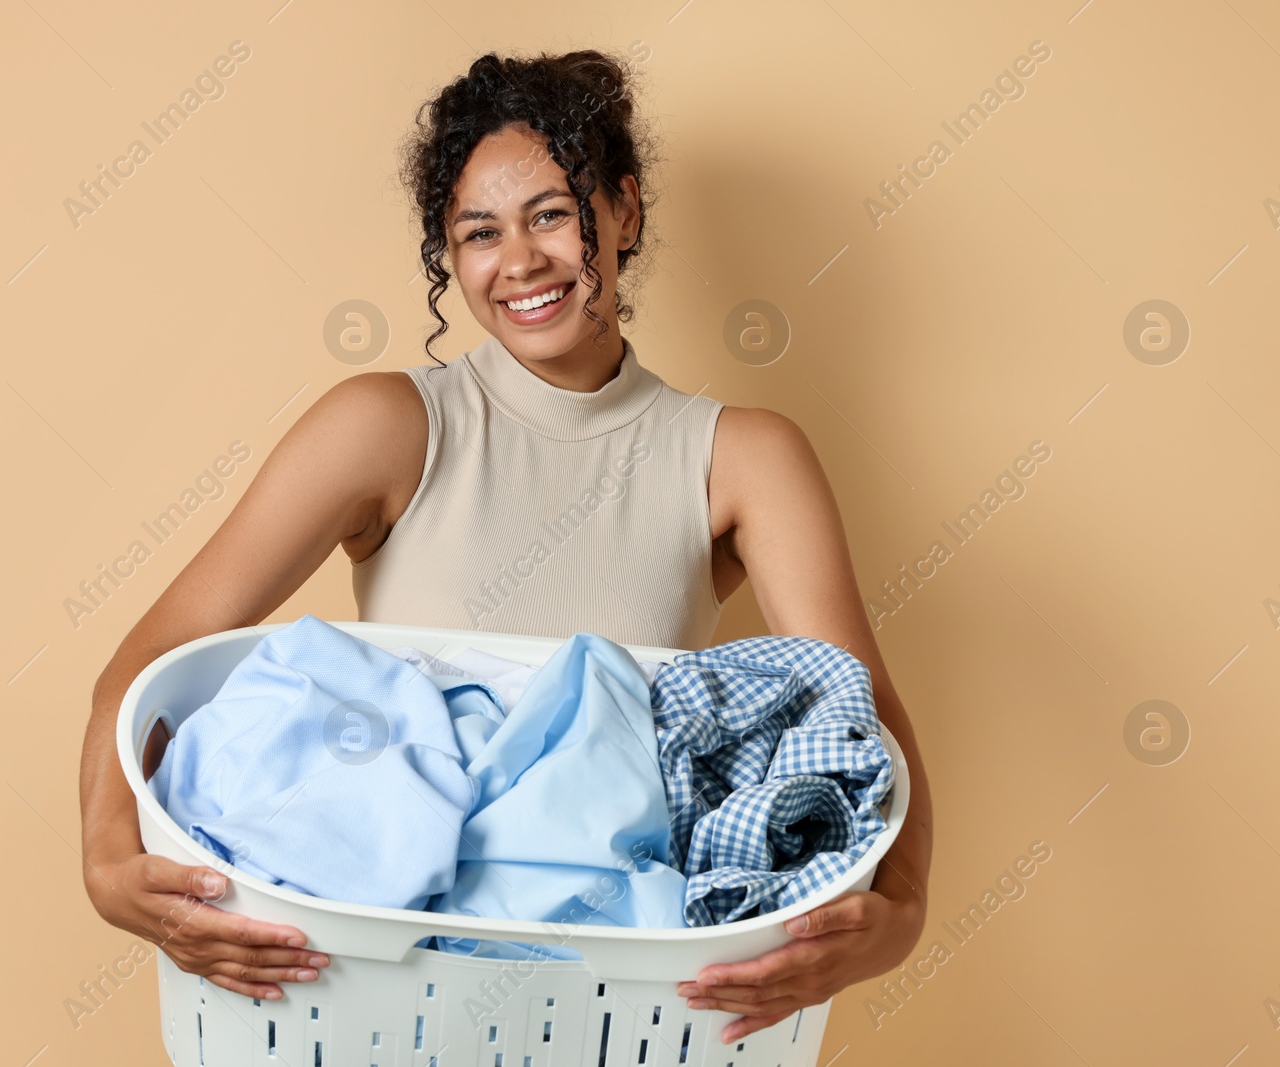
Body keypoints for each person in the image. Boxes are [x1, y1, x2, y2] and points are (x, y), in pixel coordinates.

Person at [78, 48, 932, 1045]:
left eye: (550, 214)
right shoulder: (389, 424)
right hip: (375, 999)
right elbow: (156, 657)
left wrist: (900, 914)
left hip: (609, 1010)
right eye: (477, 232)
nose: (518, 261)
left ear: (624, 211)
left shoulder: (738, 457)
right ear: (449, 256)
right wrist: (106, 862)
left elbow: (856, 712)